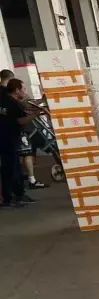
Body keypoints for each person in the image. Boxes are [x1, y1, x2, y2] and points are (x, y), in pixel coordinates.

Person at [0, 79, 39, 208]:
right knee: (10, 168)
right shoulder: (13, 104)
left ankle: (17, 195)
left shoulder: (5, 99)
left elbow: (23, 108)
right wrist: (36, 114)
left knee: (13, 167)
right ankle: (8, 198)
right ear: (17, 90)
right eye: (23, 89)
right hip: (9, 138)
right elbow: (21, 121)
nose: (25, 91)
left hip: (5, 138)